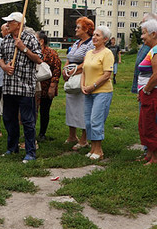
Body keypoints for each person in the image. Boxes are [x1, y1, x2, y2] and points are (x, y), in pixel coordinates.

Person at [0, 12, 43, 162]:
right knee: (9, 119)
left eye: (10, 22)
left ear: (18, 24)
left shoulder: (30, 39)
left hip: (25, 87)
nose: (7, 24)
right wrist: (4, 67)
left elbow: (39, 59)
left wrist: (23, 48)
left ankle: (30, 152)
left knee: (28, 121)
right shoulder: (6, 39)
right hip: (9, 87)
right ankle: (12, 147)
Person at [80, 25, 114, 160]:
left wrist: (92, 86)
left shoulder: (107, 53)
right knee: (88, 121)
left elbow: (107, 75)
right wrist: (82, 85)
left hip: (102, 91)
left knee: (96, 120)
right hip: (87, 92)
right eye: (93, 35)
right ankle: (92, 148)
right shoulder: (89, 53)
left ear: (105, 39)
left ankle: (98, 150)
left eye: (97, 35)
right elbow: (83, 70)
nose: (94, 37)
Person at [136, 20, 157, 165]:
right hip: (148, 94)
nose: (142, 37)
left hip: (153, 94)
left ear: (154, 34)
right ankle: (149, 153)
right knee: (145, 124)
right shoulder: (154, 49)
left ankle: (156, 158)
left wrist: (146, 89)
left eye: (144, 33)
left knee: (152, 125)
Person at [63, 16, 94, 151]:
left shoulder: (91, 44)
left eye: (78, 27)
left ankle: (84, 138)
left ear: (86, 29)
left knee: (82, 108)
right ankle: (72, 135)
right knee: (71, 106)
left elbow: (87, 61)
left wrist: (74, 71)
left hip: (82, 77)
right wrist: (65, 70)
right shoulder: (76, 43)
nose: (75, 29)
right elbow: (69, 58)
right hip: (71, 76)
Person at [36, 31, 61, 141]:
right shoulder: (33, 52)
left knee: (44, 110)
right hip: (34, 87)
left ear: (41, 41)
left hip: (46, 87)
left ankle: (42, 133)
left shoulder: (52, 54)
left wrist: (52, 86)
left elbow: (56, 70)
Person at [132, 12, 157, 94]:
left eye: (144, 23)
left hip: (151, 90)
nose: (142, 36)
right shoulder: (148, 44)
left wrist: (146, 90)